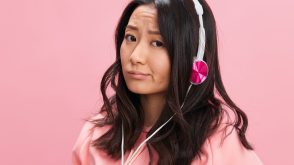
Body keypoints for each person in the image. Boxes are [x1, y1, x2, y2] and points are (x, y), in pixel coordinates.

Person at [72, 0, 263, 164]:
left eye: (157, 43)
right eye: (131, 38)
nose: (136, 56)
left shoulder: (219, 144)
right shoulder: (95, 134)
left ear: (194, 57)